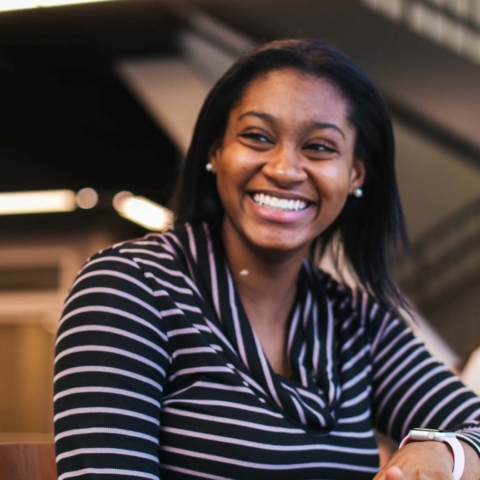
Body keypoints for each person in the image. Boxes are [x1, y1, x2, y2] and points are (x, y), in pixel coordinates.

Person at [54, 39, 480, 479]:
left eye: (319, 147)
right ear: (214, 151)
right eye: (257, 137)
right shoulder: (129, 288)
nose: (283, 169)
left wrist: (449, 452)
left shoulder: (356, 322)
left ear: (355, 173)